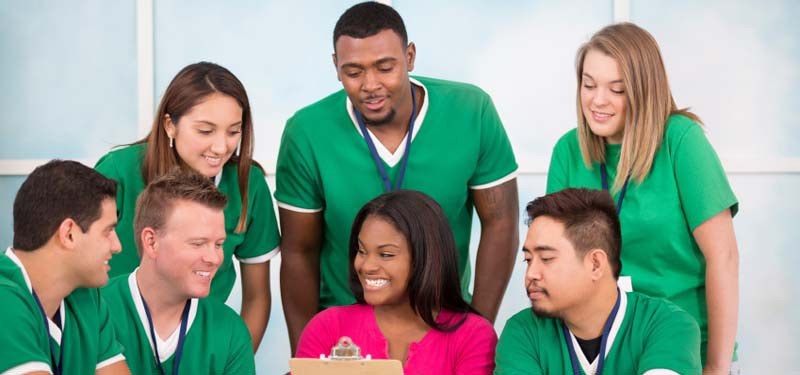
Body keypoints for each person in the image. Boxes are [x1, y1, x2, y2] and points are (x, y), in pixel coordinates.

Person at [276, 1, 519, 353]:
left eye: (385, 67)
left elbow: (501, 221)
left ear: (410, 56)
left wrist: (475, 330)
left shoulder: (471, 111)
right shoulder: (306, 131)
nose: (370, 85)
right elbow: (299, 251)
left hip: (444, 321)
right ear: (335, 66)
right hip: (347, 338)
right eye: (353, 72)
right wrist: (306, 359)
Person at [546, 23, 739, 373]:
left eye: (616, 89)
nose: (597, 100)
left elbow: (723, 258)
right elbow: (556, 261)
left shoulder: (682, 141)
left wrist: (717, 366)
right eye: (588, 85)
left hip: (682, 347)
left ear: (643, 91)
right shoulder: (568, 151)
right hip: (598, 347)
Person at [95, 62, 279, 350]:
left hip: (197, 349)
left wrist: (233, 362)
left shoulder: (248, 184)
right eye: (205, 131)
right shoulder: (118, 171)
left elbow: (257, 298)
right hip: (111, 342)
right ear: (170, 125)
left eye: (233, 131)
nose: (221, 147)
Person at [495, 188, 701, 374]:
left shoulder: (668, 325)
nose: (531, 273)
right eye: (528, 259)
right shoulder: (522, 332)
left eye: (546, 259)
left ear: (595, 264)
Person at [296, 190, 497, 374]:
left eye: (386, 254)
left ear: (425, 258)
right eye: (362, 251)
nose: (366, 266)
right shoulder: (328, 327)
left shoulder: (473, 335)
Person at [101, 171, 255, 374]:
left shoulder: (230, 330)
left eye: (219, 244)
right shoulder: (94, 309)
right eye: (198, 243)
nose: (215, 258)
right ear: (151, 242)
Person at [0, 160, 131, 374]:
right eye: (108, 231)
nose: (117, 247)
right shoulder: (3, 300)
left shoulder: (88, 297)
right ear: (69, 234)